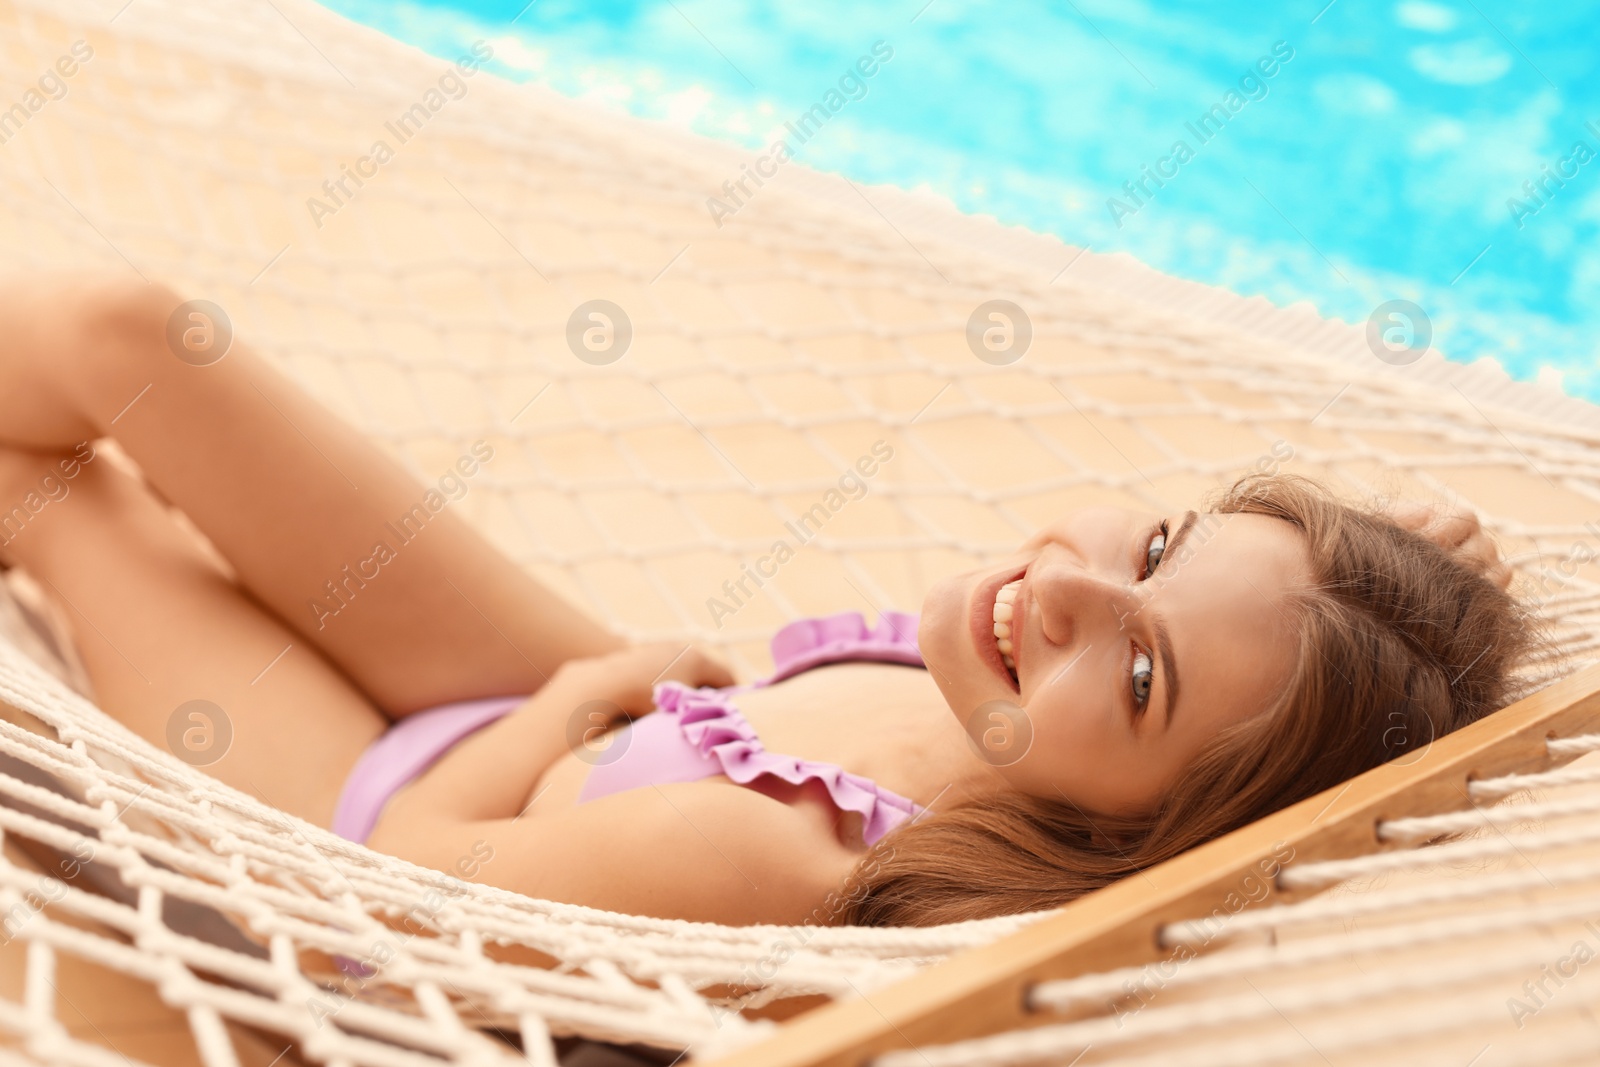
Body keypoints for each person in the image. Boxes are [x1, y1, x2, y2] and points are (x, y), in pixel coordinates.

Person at [0, 277, 1531, 927]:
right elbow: (1255, 641)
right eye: (1159, 544)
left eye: (1139, 677)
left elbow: (390, 893)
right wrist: (1394, 579)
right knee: (133, 335)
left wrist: (551, 716)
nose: (1065, 591)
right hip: (586, 715)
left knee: (53, 493)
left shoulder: (771, 853)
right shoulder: (1058, 700)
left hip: (350, 832)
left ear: (1153, 828)